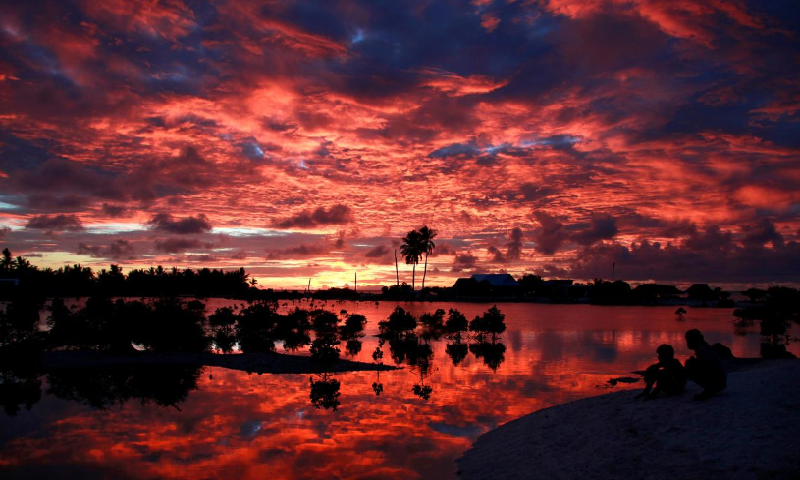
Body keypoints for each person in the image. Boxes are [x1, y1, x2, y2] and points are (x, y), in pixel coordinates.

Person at [684, 329, 727, 400]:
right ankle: (710, 389)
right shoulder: (703, 349)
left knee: (690, 365)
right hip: (719, 381)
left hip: (718, 381)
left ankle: (710, 390)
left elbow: (709, 367)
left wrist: (694, 363)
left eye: (688, 340)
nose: (687, 343)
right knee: (691, 364)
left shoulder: (702, 350)